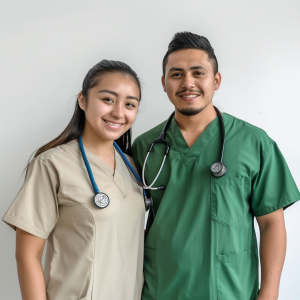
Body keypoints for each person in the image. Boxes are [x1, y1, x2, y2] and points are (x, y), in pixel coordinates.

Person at [132, 32, 300, 300]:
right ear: (164, 83)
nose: (188, 83)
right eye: (176, 75)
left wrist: (269, 294)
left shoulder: (254, 142)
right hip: (161, 289)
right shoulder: (144, 147)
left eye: (198, 73)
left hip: (230, 291)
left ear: (216, 80)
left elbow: (271, 224)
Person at [2, 60, 145, 300]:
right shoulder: (52, 164)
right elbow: (28, 255)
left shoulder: (132, 167)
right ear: (83, 100)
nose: (119, 112)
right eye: (108, 99)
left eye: (130, 104)